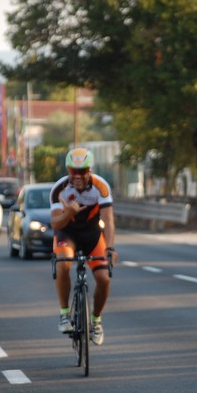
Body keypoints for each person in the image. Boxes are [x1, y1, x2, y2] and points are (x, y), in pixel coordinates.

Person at [50, 147, 118, 345]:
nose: (78, 176)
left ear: (90, 170)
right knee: (63, 264)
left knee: (104, 278)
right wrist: (69, 213)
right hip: (67, 233)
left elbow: (109, 220)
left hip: (92, 234)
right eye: (73, 171)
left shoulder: (101, 187)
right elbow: (55, 224)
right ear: (68, 170)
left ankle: (96, 321)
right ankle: (64, 314)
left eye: (82, 171)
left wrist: (110, 247)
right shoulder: (59, 189)